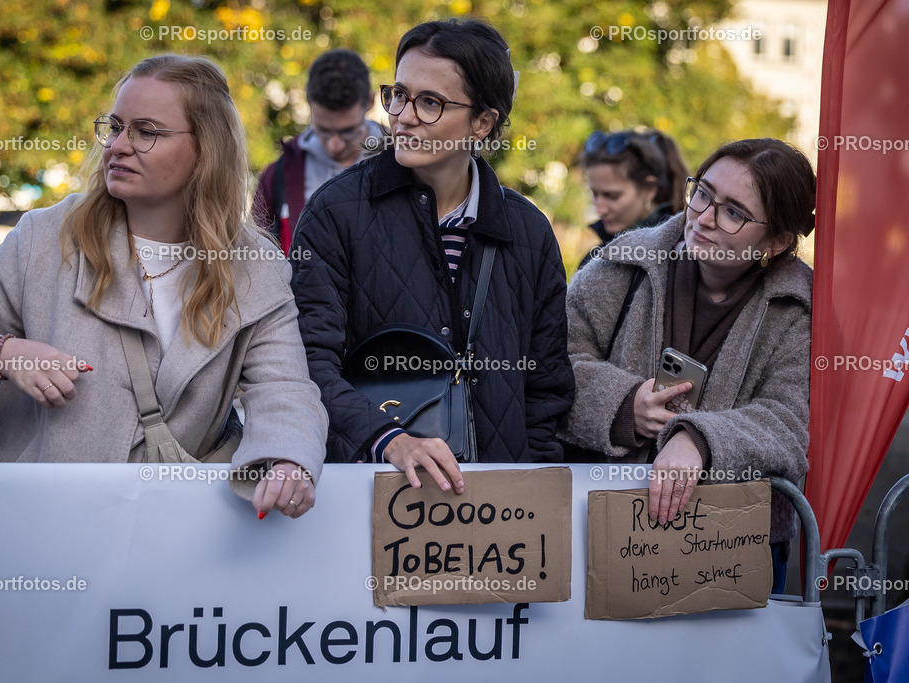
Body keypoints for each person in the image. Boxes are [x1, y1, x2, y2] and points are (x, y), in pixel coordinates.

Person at [0, 55, 326, 519]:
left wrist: (288, 459)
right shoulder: (45, 237)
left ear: (207, 149)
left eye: (146, 132)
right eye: (116, 127)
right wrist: (2, 354)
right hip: (30, 526)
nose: (119, 146)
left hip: (171, 531)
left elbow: (283, 387)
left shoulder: (256, 265)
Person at [291, 19, 574, 492]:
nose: (403, 116)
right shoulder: (335, 211)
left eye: (430, 102)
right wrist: (387, 440)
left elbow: (546, 388)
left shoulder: (528, 232)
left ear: (483, 122)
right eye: (399, 95)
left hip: (500, 505)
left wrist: (531, 490)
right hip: (373, 491)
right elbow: (306, 361)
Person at [561, 138, 815, 592]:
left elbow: (789, 422)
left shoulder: (798, 308)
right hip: (605, 530)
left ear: (776, 241)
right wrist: (624, 405)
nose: (704, 218)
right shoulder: (621, 264)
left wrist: (699, 440)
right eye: (703, 194)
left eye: (734, 212)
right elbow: (552, 366)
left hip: (729, 549)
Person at [253, 48, 383, 254]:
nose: (335, 145)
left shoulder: (403, 163)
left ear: (370, 101)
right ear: (308, 101)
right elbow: (256, 257)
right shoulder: (277, 177)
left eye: (348, 131)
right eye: (323, 130)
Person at [576, 129, 688, 270]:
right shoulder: (596, 257)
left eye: (612, 196)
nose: (600, 210)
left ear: (649, 189)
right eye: (594, 194)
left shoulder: (678, 257)